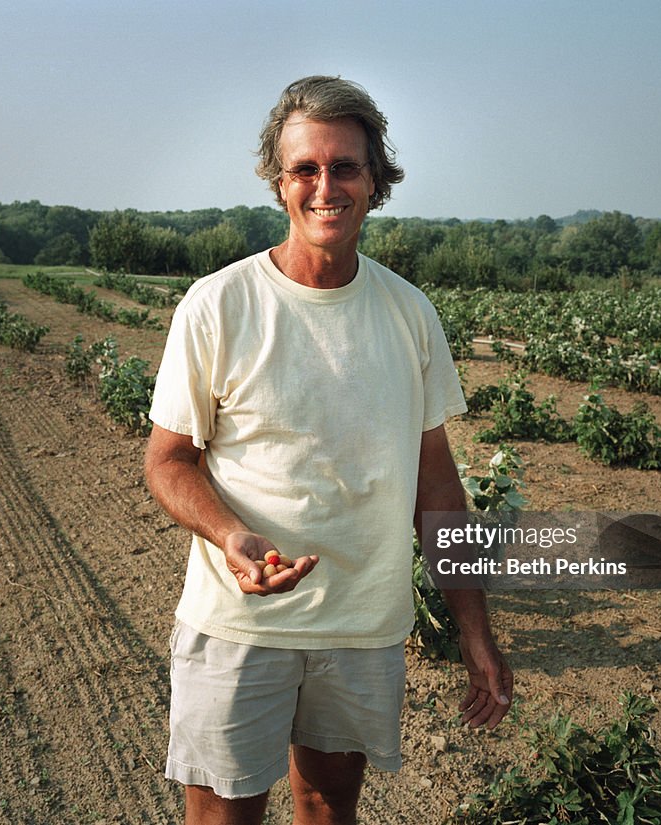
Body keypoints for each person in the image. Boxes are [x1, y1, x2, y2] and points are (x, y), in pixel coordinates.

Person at [144, 75, 513, 825]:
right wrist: (230, 535)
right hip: (239, 623)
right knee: (223, 813)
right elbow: (168, 459)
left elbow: (437, 488)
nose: (325, 186)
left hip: (361, 627)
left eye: (345, 166)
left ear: (375, 181)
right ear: (278, 183)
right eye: (305, 169)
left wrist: (476, 630)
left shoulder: (410, 315)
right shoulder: (219, 305)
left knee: (328, 803)